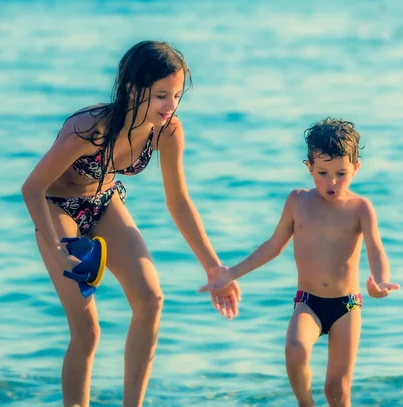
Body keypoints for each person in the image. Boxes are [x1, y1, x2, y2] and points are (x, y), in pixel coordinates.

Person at [21, 40, 241, 407]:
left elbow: (179, 202)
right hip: (55, 206)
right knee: (87, 331)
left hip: (104, 201)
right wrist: (60, 255)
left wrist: (213, 266)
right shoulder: (90, 128)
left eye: (176, 95)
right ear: (132, 90)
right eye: (161, 96)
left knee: (151, 298)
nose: (170, 106)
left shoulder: (167, 131)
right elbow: (32, 187)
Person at [199, 118, 400, 407]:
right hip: (308, 302)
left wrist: (380, 282)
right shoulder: (298, 202)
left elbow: (376, 249)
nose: (331, 182)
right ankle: (305, 404)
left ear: (357, 168)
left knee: (337, 391)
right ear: (308, 167)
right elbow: (272, 246)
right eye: (322, 173)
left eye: (341, 173)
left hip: (347, 305)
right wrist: (231, 273)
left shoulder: (360, 208)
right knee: (295, 349)